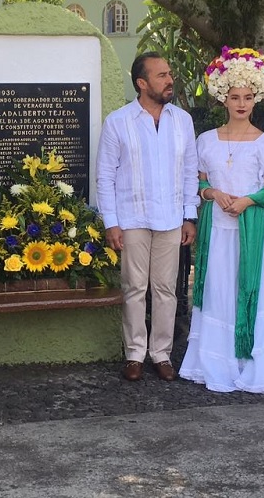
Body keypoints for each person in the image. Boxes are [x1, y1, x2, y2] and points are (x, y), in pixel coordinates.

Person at [179, 47, 264, 393]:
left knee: (254, 293)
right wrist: (213, 194)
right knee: (219, 293)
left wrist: (248, 200)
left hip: (253, 233)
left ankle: (254, 364)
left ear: (256, 99)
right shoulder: (206, 140)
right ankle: (216, 361)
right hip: (217, 231)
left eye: (248, 97)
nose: (242, 104)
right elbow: (198, 182)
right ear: (223, 98)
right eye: (235, 96)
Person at [97, 52, 199, 382]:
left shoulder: (182, 120)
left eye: (169, 73)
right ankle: (134, 354)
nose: (169, 80)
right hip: (132, 219)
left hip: (171, 218)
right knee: (134, 289)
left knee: (167, 290)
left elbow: (189, 172)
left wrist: (189, 216)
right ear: (142, 83)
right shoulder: (118, 121)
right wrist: (111, 222)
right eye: (161, 75)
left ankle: (162, 354)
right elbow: (105, 175)